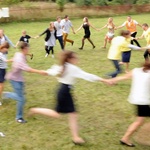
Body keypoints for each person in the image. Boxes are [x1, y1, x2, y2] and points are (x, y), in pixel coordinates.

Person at [29, 50, 109, 144]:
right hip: (64, 92)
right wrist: (104, 80)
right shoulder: (71, 68)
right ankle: (35, 110)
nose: (77, 59)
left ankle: (75, 137)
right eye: (75, 58)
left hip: (64, 91)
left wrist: (44, 72)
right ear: (70, 59)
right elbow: (87, 76)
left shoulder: (64, 66)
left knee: (72, 114)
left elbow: (50, 72)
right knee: (58, 114)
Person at [3, 42, 45, 123]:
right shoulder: (20, 59)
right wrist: (40, 71)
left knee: (21, 96)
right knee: (21, 99)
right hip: (14, 79)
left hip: (19, 79)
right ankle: (18, 117)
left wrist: (10, 60)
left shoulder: (18, 54)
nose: (28, 50)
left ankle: (8, 94)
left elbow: (14, 58)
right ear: (24, 49)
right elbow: (28, 69)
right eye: (27, 48)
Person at [110, 61, 150, 147]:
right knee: (139, 121)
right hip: (143, 101)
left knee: (140, 121)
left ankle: (126, 138)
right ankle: (125, 138)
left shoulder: (137, 70)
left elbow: (124, 77)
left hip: (136, 99)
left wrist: (112, 80)